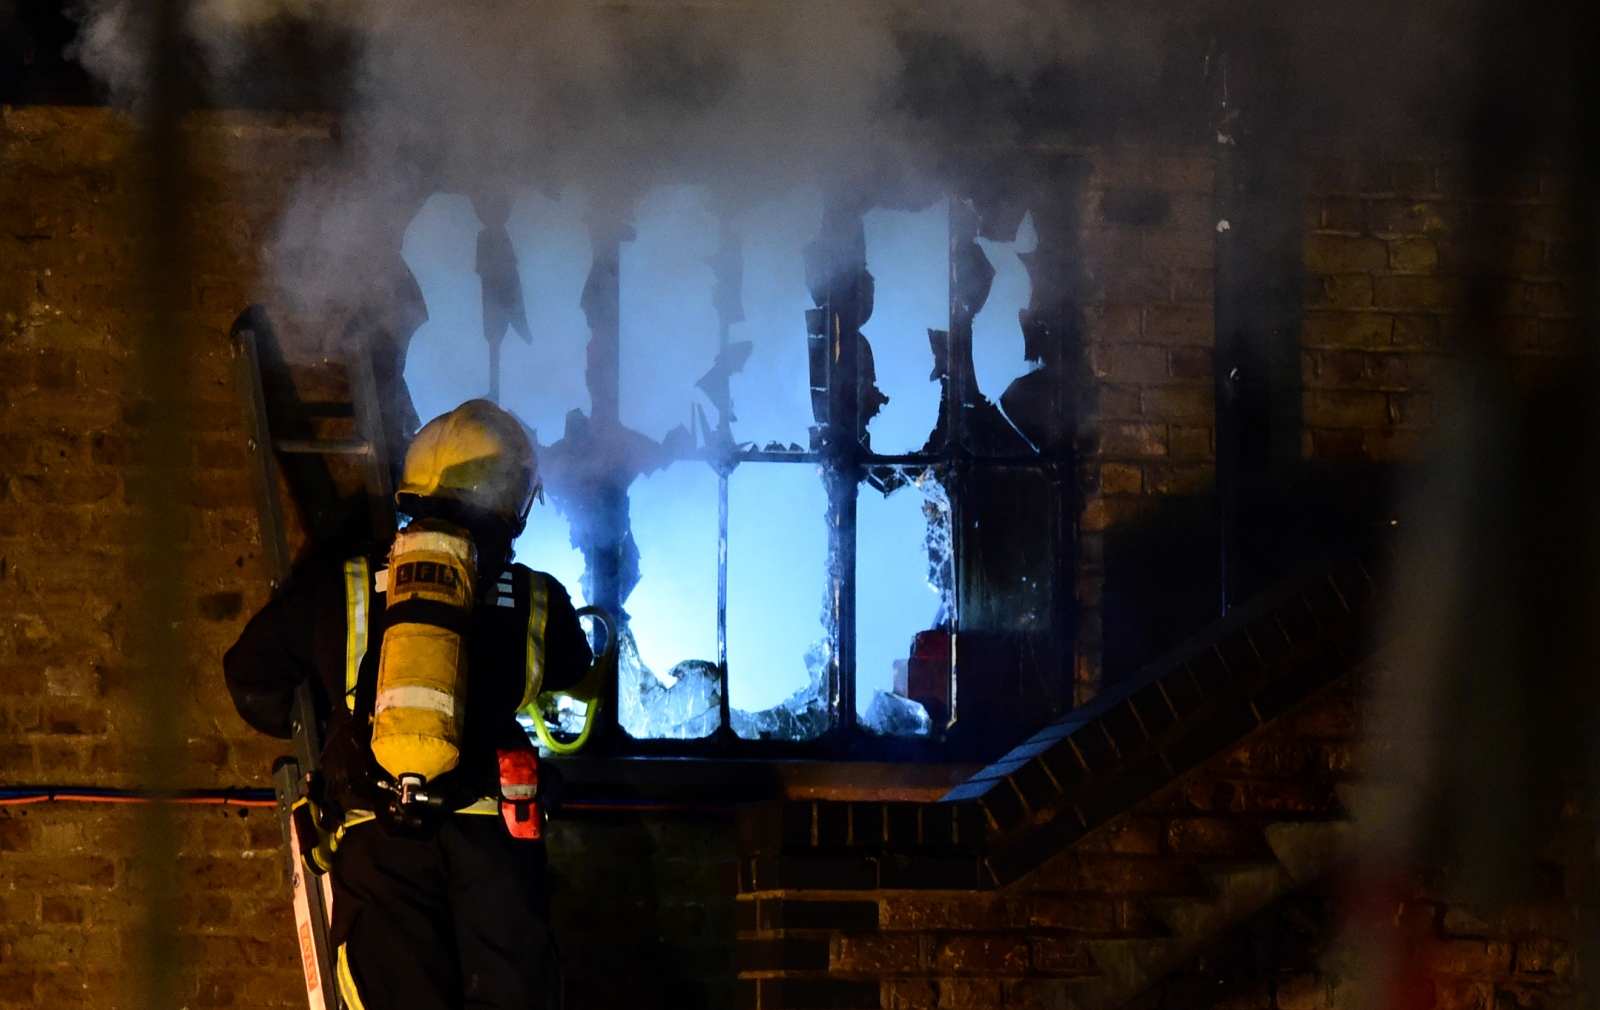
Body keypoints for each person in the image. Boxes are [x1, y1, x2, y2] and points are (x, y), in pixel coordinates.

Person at [225, 399, 591, 1010]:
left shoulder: (342, 583)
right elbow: (576, 671)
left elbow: (249, 676)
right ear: (509, 499)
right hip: (494, 834)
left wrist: (349, 726)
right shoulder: (536, 598)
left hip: (377, 829)